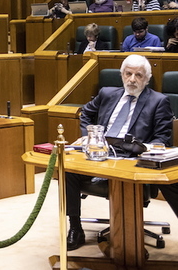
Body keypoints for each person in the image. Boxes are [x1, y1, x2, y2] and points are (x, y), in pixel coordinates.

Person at [65, 55, 176, 251]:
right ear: (122, 75)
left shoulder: (159, 101)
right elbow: (86, 114)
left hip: (132, 159)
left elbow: (162, 140)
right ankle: (75, 227)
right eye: (128, 73)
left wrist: (144, 149)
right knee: (68, 169)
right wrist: (89, 137)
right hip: (100, 154)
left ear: (147, 78)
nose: (132, 79)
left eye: (139, 75)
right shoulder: (107, 94)